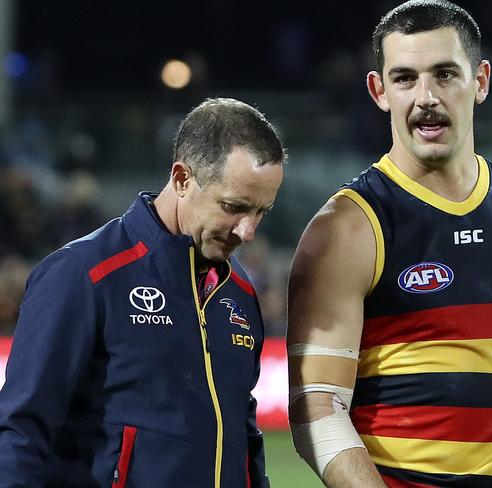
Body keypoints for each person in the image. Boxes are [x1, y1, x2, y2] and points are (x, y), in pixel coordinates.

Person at [286, 1, 492, 487]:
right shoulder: (346, 229)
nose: (426, 97)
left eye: (445, 74)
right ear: (379, 91)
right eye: (404, 78)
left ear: (480, 81)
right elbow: (318, 407)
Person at [0, 97, 285, 487]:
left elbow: (244, 435)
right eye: (234, 207)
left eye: (260, 212)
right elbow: (19, 434)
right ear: (182, 178)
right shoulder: (84, 274)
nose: (248, 231)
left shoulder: (239, 292)